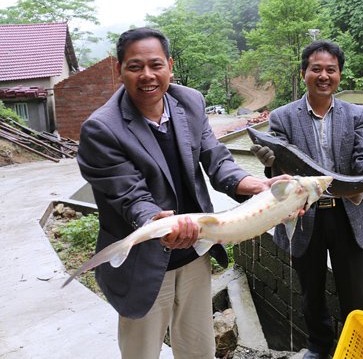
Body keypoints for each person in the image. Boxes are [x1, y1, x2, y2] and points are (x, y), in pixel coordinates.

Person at [77, 27, 290, 359]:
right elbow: (130, 197)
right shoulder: (101, 129)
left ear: (170, 65)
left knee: (198, 350)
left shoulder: (189, 101)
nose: (147, 75)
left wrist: (257, 187)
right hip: (143, 259)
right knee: (141, 352)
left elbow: (217, 160)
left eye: (155, 64)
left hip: (195, 254)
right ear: (118, 70)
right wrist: (161, 225)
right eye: (135, 66)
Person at [251, 40, 363, 359]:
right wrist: (269, 161)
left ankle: (362, 347)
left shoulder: (355, 114)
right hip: (303, 216)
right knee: (311, 291)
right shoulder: (283, 117)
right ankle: (319, 346)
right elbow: (279, 169)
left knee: (356, 293)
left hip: (347, 213)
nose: (323, 75)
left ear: (339, 74)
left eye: (331, 69)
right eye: (316, 69)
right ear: (304, 74)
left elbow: (362, 160)